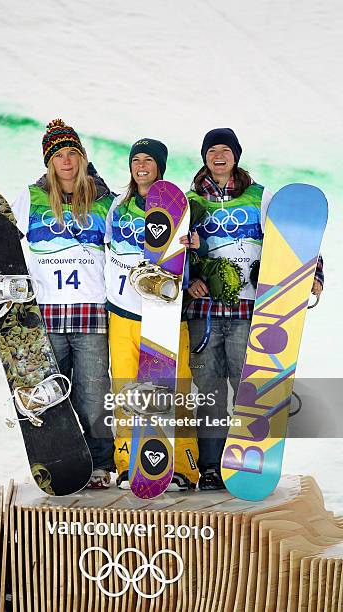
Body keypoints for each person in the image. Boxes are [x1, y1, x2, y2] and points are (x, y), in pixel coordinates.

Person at [185, 128, 324, 490]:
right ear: (204, 157)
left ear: (236, 156)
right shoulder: (188, 201)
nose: (218, 155)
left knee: (247, 391)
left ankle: (246, 461)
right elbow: (170, 252)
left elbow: (292, 238)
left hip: (250, 311)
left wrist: (315, 276)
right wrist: (189, 282)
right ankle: (212, 467)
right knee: (210, 392)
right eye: (212, 150)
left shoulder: (260, 197)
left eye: (225, 150)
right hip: (204, 316)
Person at [10, 119, 115, 488]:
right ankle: (62, 461)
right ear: (49, 162)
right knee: (55, 394)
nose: (67, 162)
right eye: (59, 156)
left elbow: (129, 246)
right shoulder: (31, 198)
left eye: (72, 153)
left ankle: (101, 463)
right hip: (48, 317)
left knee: (93, 393)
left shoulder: (105, 202)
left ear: (82, 157)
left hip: (91, 316)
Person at [105, 138, 207, 490]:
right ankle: (126, 463)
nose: (142, 166)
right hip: (123, 313)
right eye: (136, 160)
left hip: (165, 314)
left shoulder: (180, 207)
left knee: (172, 391)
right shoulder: (116, 207)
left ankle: (181, 466)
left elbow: (199, 252)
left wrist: (196, 248)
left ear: (160, 167)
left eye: (149, 160)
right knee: (125, 392)